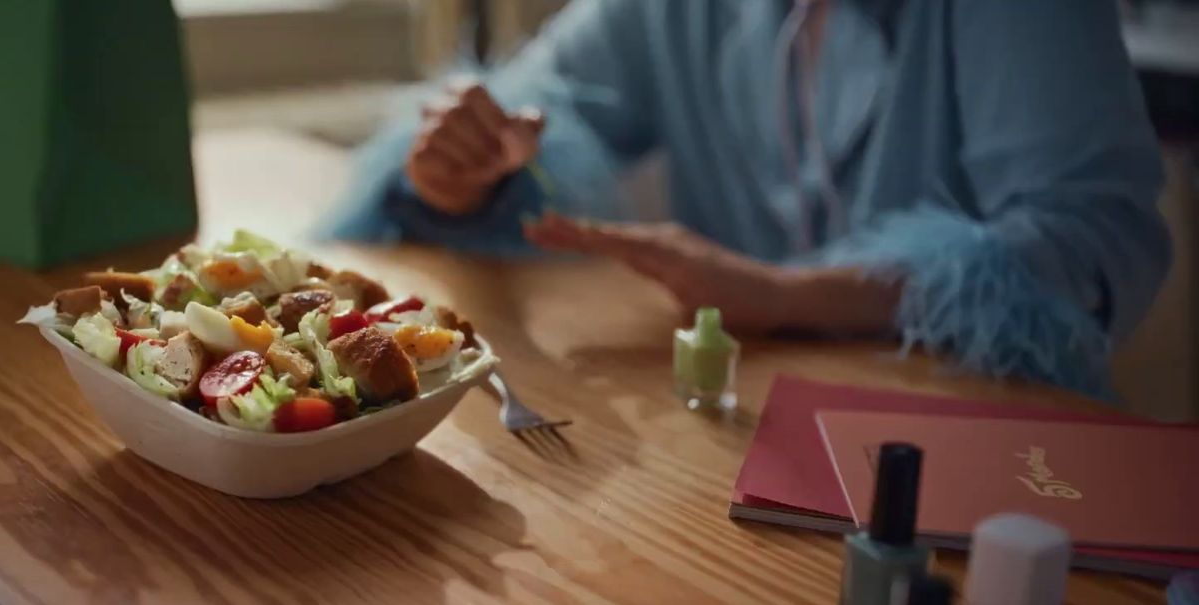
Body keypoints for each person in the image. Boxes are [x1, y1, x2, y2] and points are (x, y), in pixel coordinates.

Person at [315, 0, 1171, 399]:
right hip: (733, 425)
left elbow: (1095, 238)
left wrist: (784, 296)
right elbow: (535, 110)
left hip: (978, 439)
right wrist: (460, 171)